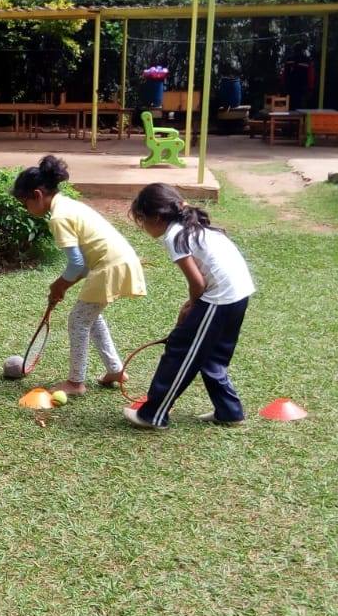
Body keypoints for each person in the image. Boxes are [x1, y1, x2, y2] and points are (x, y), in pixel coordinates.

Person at [124, 183, 254, 429]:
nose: (142, 227)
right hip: (239, 294)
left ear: (158, 217)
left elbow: (197, 281)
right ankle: (229, 411)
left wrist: (192, 306)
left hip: (219, 298)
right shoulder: (192, 225)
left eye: (142, 220)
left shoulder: (174, 235)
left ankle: (153, 414)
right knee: (212, 355)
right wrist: (192, 304)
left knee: (180, 353)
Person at [13, 155, 146, 396]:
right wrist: (62, 286)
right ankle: (115, 369)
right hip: (120, 261)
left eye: (25, 203)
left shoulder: (58, 218)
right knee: (91, 317)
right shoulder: (67, 205)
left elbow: (76, 264)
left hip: (109, 265)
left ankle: (76, 382)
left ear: (37, 195)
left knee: (78, 321)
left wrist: (60, 285)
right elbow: (82, 264)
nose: (26, 209)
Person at [280, 45, 316, 112]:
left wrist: (283, 86)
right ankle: (299, 121)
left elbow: (283, 74)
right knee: (301, 109)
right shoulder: (307, 60)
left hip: (290, 88)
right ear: (302, 50)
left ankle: (291, 121)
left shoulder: (289, 59)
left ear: (294, 50)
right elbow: (311, 75)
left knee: (290, 109)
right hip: (302, 89)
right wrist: (310, 88)